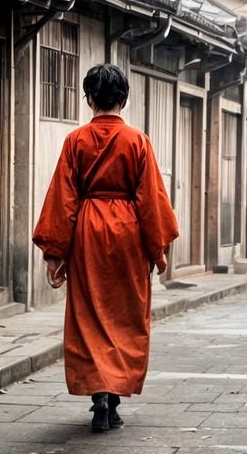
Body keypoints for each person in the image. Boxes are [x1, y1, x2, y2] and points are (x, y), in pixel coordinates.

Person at [33, 64, 179, 435]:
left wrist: (55, 253)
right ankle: (114, 397)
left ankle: (98, 395)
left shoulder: (75, 141)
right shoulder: (138, 141)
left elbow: (64, 198)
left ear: (89, 99)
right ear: (124, 100)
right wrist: (157, 248)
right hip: (128, 232)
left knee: (88, 314)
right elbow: (151, 199)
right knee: (126, 313)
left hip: (87, 231)